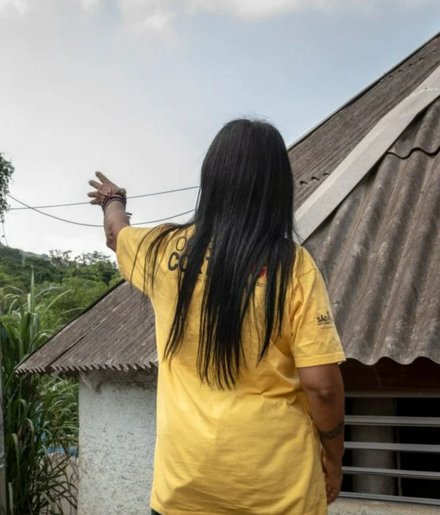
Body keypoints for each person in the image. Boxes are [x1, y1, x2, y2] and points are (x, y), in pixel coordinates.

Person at [87, 119, 346, 515]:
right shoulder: (293, 267)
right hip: (280, 492)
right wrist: (333, 458)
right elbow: (323, 387)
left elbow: (115, 232)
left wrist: (113, 199)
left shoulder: (161, 250)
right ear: (277, 187)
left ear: (211, 180)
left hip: (184, 490)